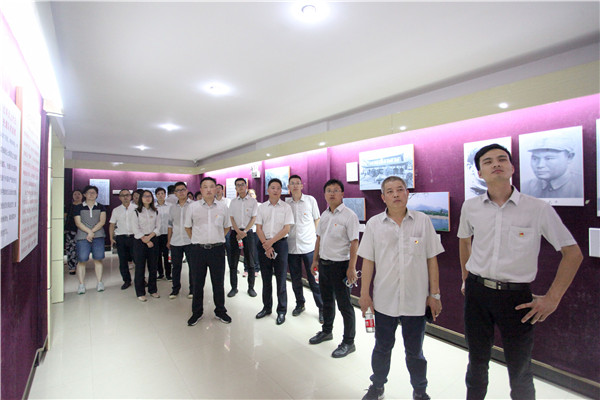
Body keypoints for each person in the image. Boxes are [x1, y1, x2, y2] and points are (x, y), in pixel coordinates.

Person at [458, 143, 583, 400]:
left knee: (520, 367)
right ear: (479, 173)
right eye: (488, 161)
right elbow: (464, 240)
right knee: (477, 361)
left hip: (516, 298)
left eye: (502, 159)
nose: (496, 164)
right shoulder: (470, 207)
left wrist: (552, 299)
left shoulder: (537, 208)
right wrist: (465, 277)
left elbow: (573, 253)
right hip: (477, 293)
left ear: (512, 168)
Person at [359, 176, 444, 400]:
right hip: (384, 301)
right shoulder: (374, 224)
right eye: (390, 191)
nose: (395, 194)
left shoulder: (422, 221)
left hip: (416, 301)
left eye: (400, 189)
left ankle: (420, 391)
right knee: (382, 347)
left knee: (415, 352)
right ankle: (377, 386)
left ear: (407, 193)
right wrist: (364, 295)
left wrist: (434, 294)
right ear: (383, 197)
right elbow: (368, 261)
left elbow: (432, 259)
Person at [309, 179, 359, 358]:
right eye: (328, 190)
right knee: (327, 301)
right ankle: (327, 331)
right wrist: (315, 260)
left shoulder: (349, 216)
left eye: (336, 190)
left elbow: (354, 242)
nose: (332, 193)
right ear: (324, 194)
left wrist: (351, 268)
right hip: (324, 264)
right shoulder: (324, 215)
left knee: (345, 305)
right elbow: (319, 239)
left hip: (341, 267)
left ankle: (349, 342)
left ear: (342, 194)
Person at [185, 177, 232, 326]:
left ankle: (220, 311)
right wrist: (198, 240)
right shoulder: (193, 207)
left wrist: (217, 238)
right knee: (197, 283)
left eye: (212, 186)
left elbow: (227, 227)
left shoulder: (223, 207)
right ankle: (197, 312)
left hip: (217, 250)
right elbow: (188, 227)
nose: (209, 189)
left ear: (216, 189)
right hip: (198, 250)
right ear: (201, 189)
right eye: (205, 187)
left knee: (218, 283)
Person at [255, 178, 294, 325]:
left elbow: (286, 228)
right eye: (273, 187)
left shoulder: (286, 207)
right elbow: (258, 228)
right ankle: (266, 307)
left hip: (280, 245)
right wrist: (266, 245)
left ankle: (281, 310)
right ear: (268, 190)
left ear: (281, 191)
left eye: (278, 188)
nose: (276, 190)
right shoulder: (261, 207)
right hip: (263, 243)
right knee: (266, 279)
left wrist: (270, 243)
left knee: (281, 279)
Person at [285, 175, 323, 323]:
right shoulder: (286, 204)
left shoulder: (310, 200)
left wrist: (317, 238)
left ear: (302, 185)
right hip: (292, 247)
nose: (295, 185)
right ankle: (300, 304)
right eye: (292, 183)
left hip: (309, 247)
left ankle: (322, 308)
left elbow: (317, 219)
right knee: (295, 279)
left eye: (297, 183)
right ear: (288, 187)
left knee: (314, 280)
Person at [73, 185, 107, 294]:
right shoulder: (78, 207)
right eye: (89, 192)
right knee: (82, 260)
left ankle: (99, 282)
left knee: (98, 259)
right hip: (82, 236)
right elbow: (78, 223)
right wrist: (89, 232)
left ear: (97, 195)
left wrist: (92, 232)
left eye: (94, 193)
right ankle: (81, 284)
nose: (91, 194)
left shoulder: (101, 207)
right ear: (84, 194)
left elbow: (102, 221)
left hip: (98, 235)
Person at [228, 178, 258, 297]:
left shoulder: (253, 201)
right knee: (233, 262)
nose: (240, 187)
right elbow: (231, 218)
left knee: (250, 262)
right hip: (235, 233)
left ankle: (251, 288)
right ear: (235, 188)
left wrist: (244, 231)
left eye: (242, 184)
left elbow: (254, 218)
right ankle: (234, 288)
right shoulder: (233, 202)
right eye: (238, 185)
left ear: (246, 186)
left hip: (248, 233)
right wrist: (237, 231)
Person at [130, 190, 161, 302]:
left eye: (149, 196)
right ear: (141, 199)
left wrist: (150, 237)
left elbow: (158, 227)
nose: (147, 198)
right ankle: (140, 292)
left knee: (153, 267)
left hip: (153, 239)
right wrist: (146, 240)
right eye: (145, 196)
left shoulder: (155, 211)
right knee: (140, 267)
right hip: (140, 241)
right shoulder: (136, 212)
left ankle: (152, 290)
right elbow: (135, 229)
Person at [167, 181, 194, 299]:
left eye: (183, 189)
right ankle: (175, 289)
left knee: (193, 267)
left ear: (187, 190)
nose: (181, 192)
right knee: (176, 267)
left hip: (191, 241)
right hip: (176, 241)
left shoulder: (194, 205)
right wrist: (169, 240)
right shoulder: (172, 208)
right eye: (178, 190)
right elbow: (170, 225)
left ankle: (192, 290)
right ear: (175, 193)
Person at [109, 189, 135, 290]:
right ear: (119, 198)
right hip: (121, 238)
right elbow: (112, 224)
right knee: (123, 261)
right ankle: (126, 281)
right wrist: (111, 238)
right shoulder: (116, 210)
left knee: (138, 260)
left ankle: (141, 279)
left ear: (130, 196)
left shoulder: (136, 208)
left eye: (127, 195)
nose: (125, 197)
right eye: (123, 195)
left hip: (134, 237)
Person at [216, 183, 236, 296]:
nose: (218, 190)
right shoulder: (213, 202)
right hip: (216, 231)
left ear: (223, 190)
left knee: (230, 251)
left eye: (219, 188)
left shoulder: (227, 201)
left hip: (227, 230)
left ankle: (231, 268)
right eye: (216, 188)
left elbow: (229, 215)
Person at [155, 187, 172, 280]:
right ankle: (160, 273)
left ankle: (168, 274)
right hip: (156, 234)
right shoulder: (153, 206)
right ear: (156, 195)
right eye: (158, 194)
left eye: (162, 193)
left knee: (167, 255)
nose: (160, 195)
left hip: (167, 233)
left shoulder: (170, 206)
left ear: (165, 195)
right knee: (157, 255)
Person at [64, 189, 83, 275]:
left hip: (82, 230)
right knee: (70, 249)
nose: (77, 196)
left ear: (82, 196)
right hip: (70, 230)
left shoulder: (84, 206)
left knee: (81, 248)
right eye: (75, 194)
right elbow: (65, 218)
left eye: (79, 194)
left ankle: (80, 265)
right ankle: (72, 267)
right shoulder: (69, 206)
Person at [248, 188, 261, 277]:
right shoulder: (245, 206)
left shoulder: (260, 205)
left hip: (257, 230)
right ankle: (246, 268)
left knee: (256, 250)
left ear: (255, 195)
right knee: (248, 250)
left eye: (252, 194)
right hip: (248, 230)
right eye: (249, 194)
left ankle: (256, 268)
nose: (251, 195)